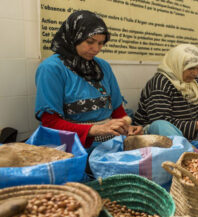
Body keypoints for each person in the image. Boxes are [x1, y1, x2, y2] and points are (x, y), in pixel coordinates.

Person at [35, 10, 142, 151]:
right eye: (90, 42)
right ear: (74, 37)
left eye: (101, 43)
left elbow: (118, 111)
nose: (96, 49)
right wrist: (95, 129)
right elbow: (50, 123)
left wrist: (126, 127)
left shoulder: (102, 67)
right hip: (73, 145)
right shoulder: (52, 69)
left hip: (110, 141)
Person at [133, 44, 198, 140]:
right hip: (161, 133)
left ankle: (195, 142)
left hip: (192, 128)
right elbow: (161, 119)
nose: (195, 73)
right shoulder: (160, 82)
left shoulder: (194, 81)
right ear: (177, 64)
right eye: (191, 68)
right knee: (160, 125)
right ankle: (187, 146)